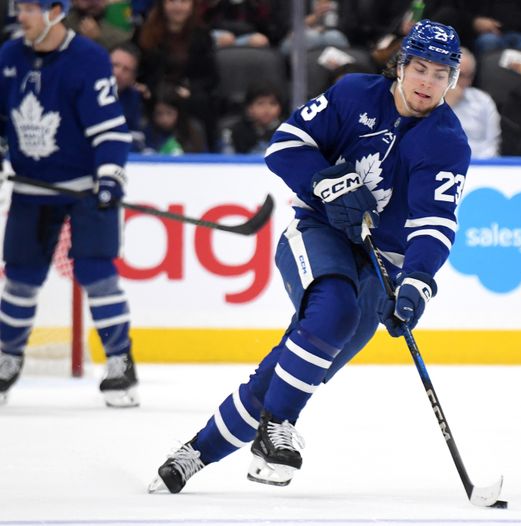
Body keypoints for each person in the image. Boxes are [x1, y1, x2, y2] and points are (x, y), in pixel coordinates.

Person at [148, 19, 470, 493]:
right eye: (420, 68)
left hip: (384, 267)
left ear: (453, 79)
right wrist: (327, 181)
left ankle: (195, 453)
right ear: (400, 66)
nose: (427, 82)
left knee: (291, 370)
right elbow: (285, 145)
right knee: (333, 312)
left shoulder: (447, 141)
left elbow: (434, 223)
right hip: (319, 230)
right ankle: (277, 428)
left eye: (440, 74)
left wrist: (416, 284)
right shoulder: (354, 94)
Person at [0, 0, 138, 407]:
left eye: (28, 9)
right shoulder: (9, 56)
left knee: (97, 274)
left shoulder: (89, 59)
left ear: (56, 11)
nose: (19, 16)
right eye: (17, 7)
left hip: (83, 187)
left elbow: (110, 128)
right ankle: (7, 359)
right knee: (20, 279)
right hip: (31, 188)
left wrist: (110, 174)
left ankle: (120, 363)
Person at [137, 0, 219, 151]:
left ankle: (203, 150)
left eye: (183, 1)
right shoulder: (145, 32)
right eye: (172, 1)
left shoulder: (202, 35)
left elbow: (210, 77)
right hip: (155, 91)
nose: (177, 7)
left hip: (188, 91)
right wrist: (144, 86)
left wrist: (191, 89)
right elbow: (142, 70)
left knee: (202, 102)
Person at [445, 47, 500, 158]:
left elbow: (493, 143)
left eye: (470, 76)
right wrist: (445, 107)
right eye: (460, 75)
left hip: (479, 167)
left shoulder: (483, 101)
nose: (465, 82)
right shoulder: (429, 101)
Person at [221, 82, 284, 154]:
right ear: (249, 108)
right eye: (260, 103)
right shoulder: (236, 131)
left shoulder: (289, 131)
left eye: (273, 103)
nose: (267, 109)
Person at [110, 42, 146, 151]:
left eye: (126, 69)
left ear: (133, 77)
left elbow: (136, 139)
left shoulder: (133, 99)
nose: (118, 73)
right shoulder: (85, 91)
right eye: (115, 65)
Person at [63, 0, 132, 50]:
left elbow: (124, 42)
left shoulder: (117, 10)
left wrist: (98, 38)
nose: (95, 2)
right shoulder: (65, 15)